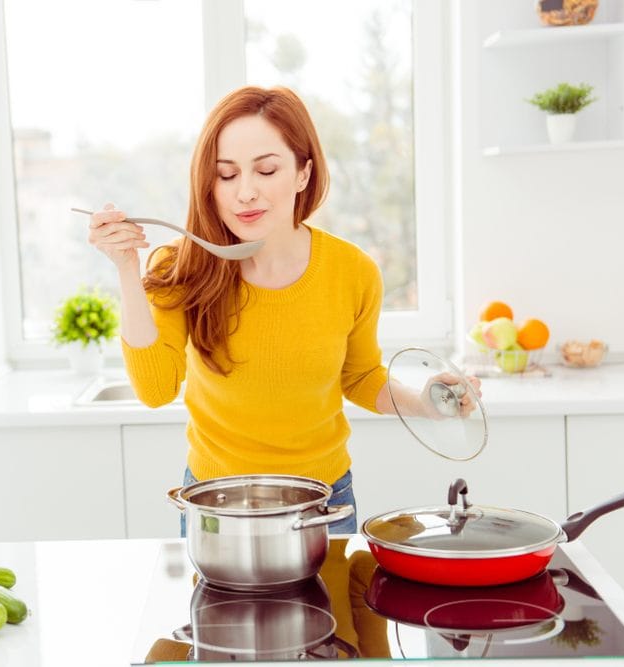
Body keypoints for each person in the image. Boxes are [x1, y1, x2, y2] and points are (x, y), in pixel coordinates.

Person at [86, 86, 479, 535]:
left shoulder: (353, 272)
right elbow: (155, 389)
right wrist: (126, 269)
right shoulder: (182, 266)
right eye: (226, 175)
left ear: (302, 173)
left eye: (267, 170)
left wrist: (426, 403)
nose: (245, 193)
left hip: (324, 504)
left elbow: (359, 376)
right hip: (217, 506)